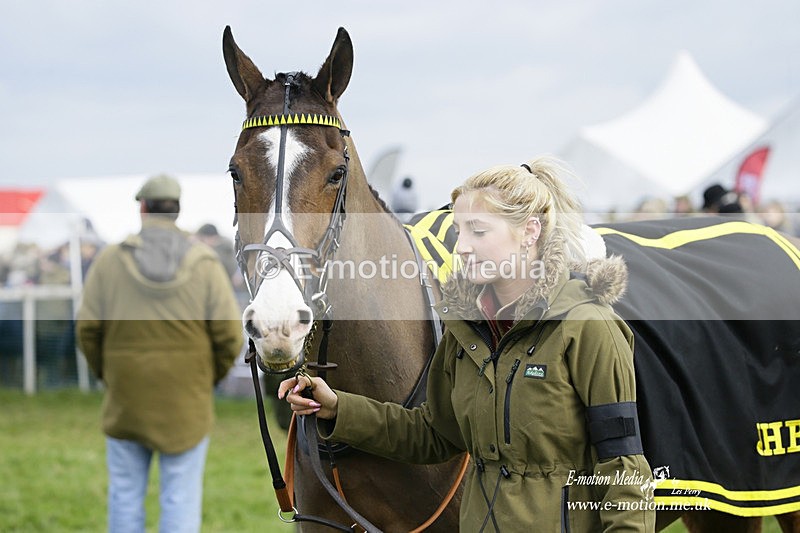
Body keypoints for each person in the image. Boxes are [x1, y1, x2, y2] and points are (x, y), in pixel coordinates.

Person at [280, 157, 656, 531]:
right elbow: (433, 434)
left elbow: (623, 466)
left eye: (478, 231)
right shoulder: (465, 331)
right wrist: (337, 408)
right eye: (459, 231)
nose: (460, 247)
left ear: (529, 231)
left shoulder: (589, 327)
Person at [76, 174, 243, 533]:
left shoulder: (110, 261)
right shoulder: (205, 264)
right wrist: (206, 377)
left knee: (124, 494)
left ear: (142, 208)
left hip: (126, 396)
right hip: (187, 399)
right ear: (178, 210)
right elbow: (230, 336)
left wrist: (110, 373)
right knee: (180, 497)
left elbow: (87, 329)